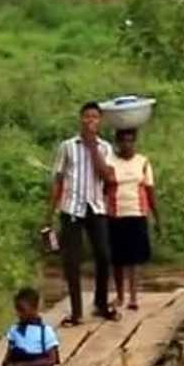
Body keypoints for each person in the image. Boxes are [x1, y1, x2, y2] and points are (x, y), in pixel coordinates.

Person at [48, 101, 117, 327]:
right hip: (71, 208)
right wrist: (48, 215)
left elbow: (107, 176)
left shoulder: (105, 147)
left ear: (100, 121)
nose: (90, 121)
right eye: (87, 117)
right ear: (81, 119)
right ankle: (76, 312)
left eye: (95, 117)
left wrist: (92, 148)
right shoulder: (67, 147)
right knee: (72, 260)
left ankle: (100, 303)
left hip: (95, 206)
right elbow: (58, 180)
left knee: (104, 255)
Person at [107, 128, 161, 311]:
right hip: (115, 214)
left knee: (135, 259)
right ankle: (120, 295)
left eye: (130, 141)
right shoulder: (110, 162)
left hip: (137, 213)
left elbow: (150, 190)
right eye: (123, 141)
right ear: (117, 143)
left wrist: (157, 216)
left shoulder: (143, 162)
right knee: (118, 259)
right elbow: (103, 188)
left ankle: (133, 297)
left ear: (135, 142)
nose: (126, 145)